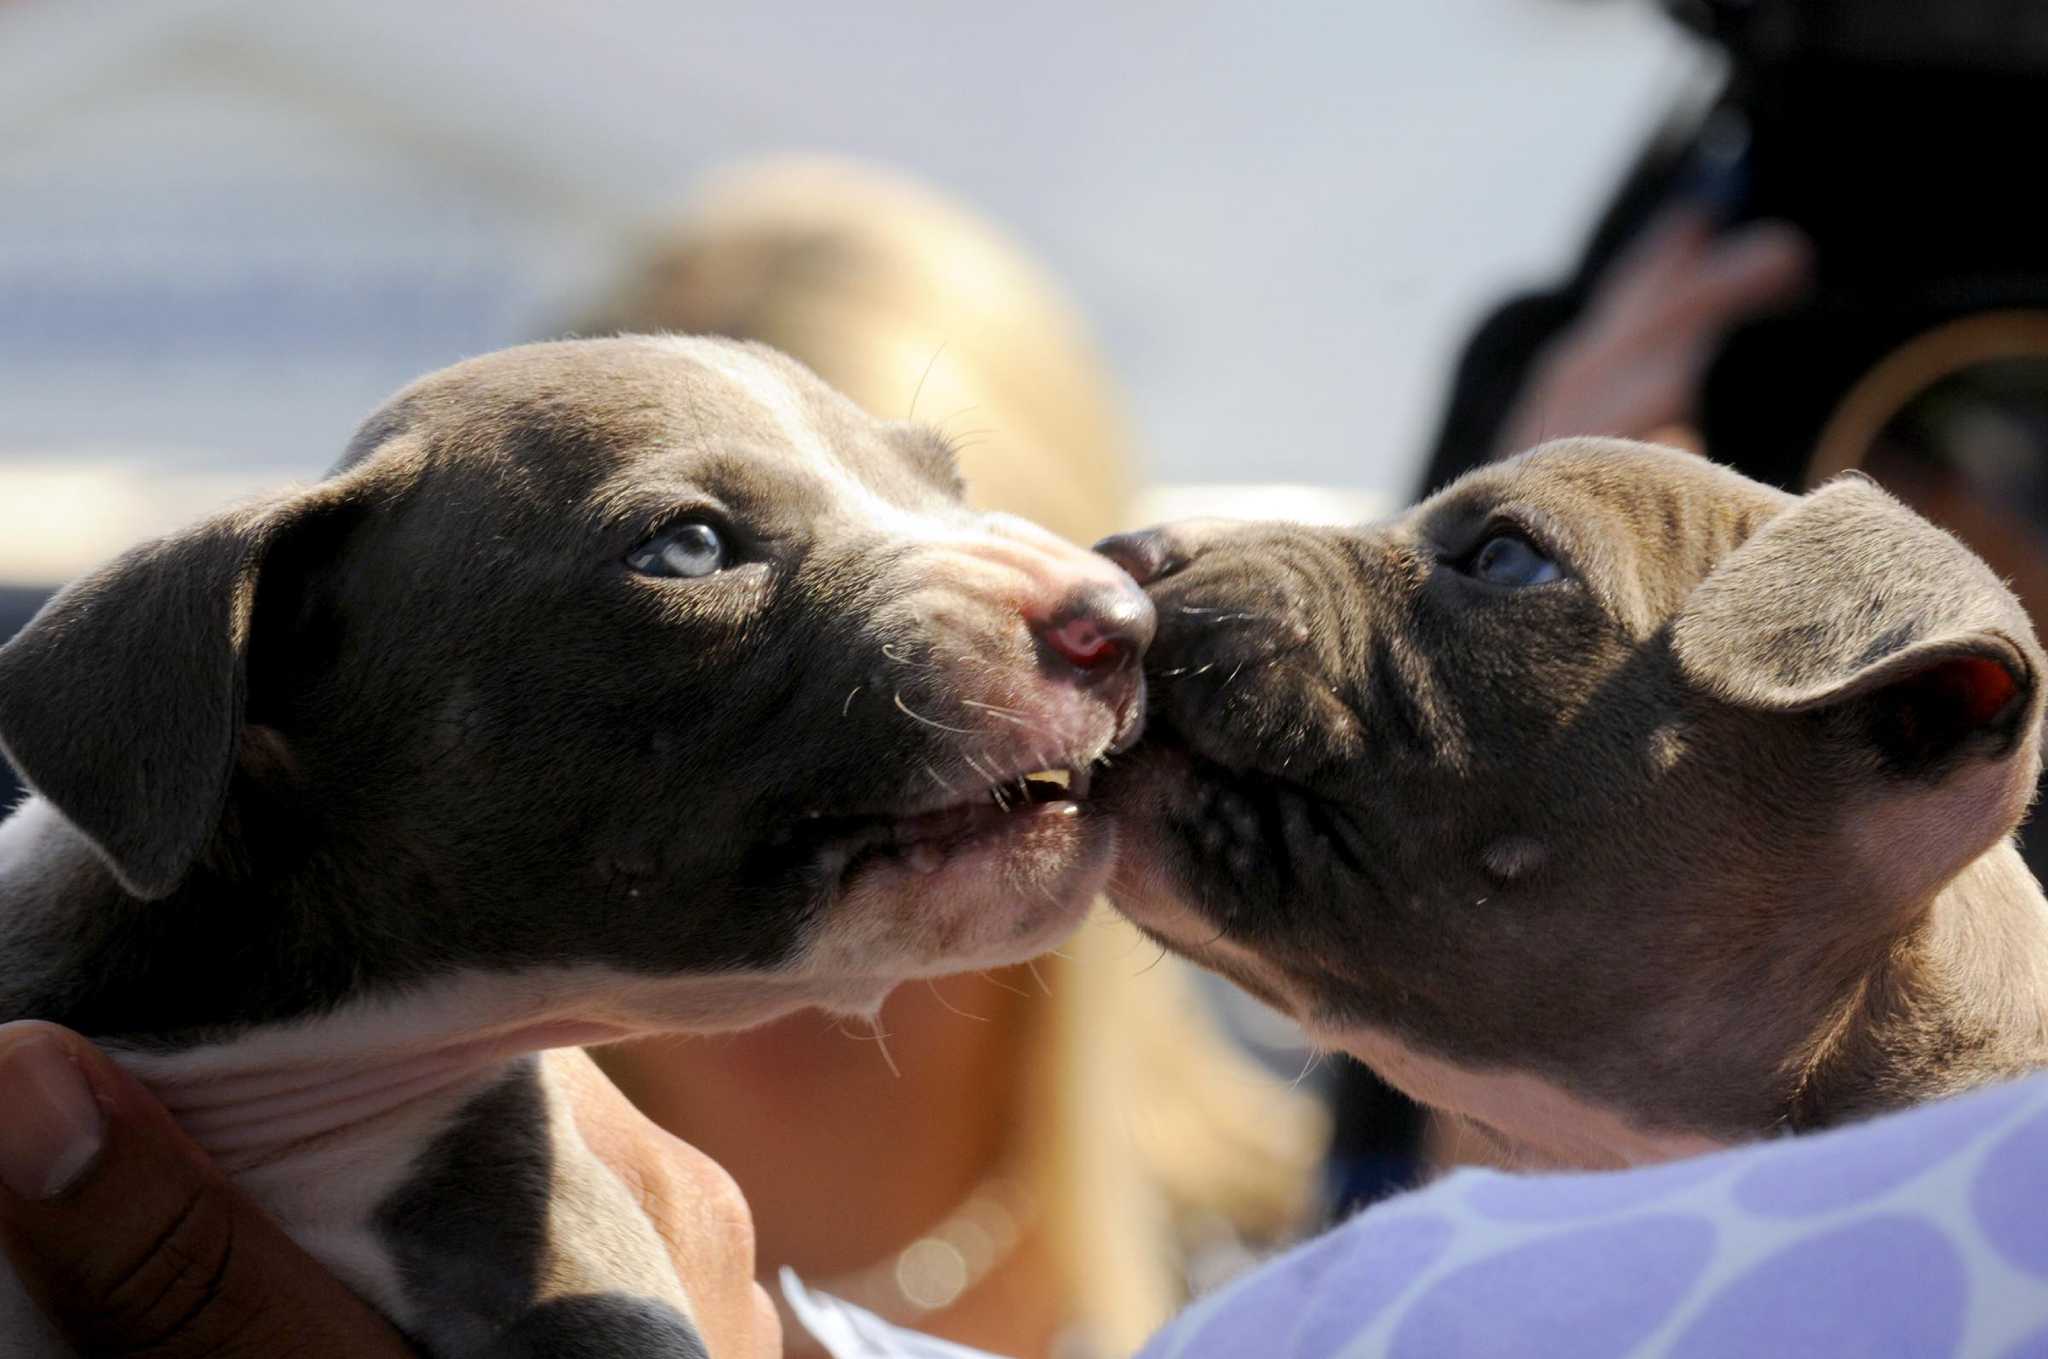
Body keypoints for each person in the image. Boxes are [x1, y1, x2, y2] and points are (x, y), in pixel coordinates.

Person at [566, 156, 1328, 1359]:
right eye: (688, 569)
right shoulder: (358, 1267)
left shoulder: (1348, 1251)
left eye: (939, 598)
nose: (817, 715)